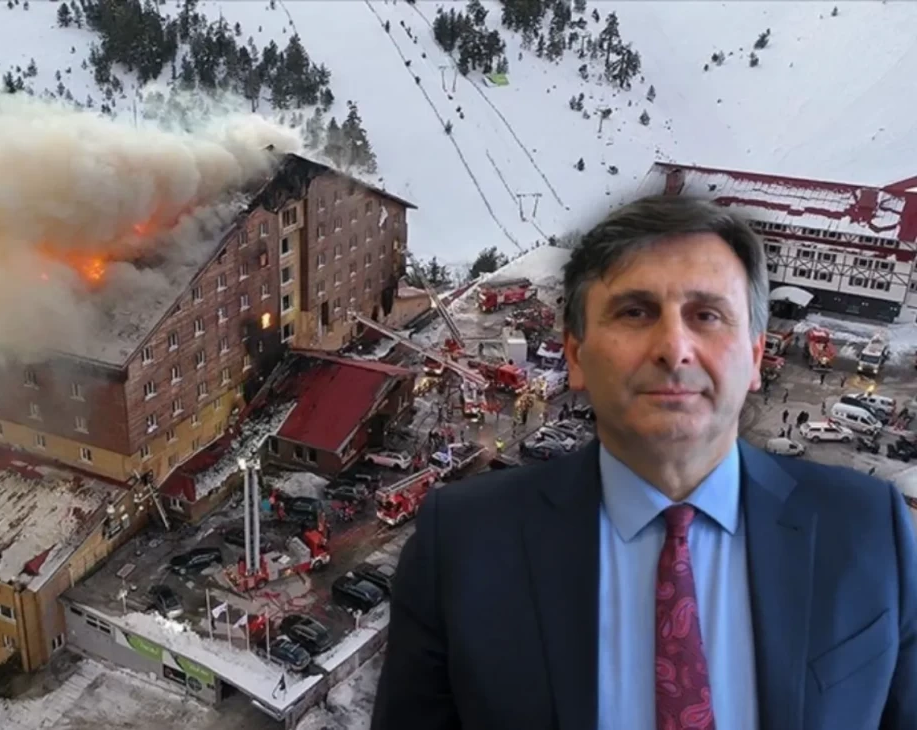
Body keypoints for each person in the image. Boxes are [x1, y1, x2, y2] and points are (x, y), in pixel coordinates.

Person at [372, 196, 916, 730]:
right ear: (575, 354)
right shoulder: (462, 544)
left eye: (707, 315)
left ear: (755, 356)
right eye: (635, 312)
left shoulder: (869, 530)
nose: (673, 348)